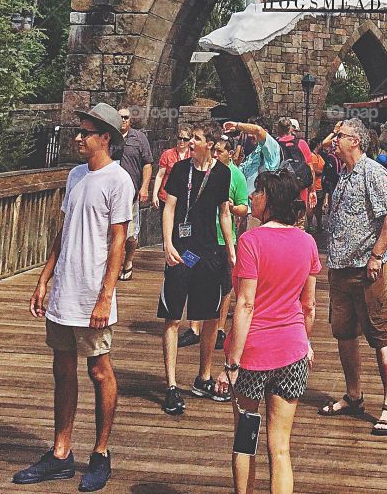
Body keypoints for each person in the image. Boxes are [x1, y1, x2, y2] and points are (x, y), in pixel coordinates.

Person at [14, 102, 133, 491]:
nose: (78, 138)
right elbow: (62, 232)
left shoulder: (119, 180)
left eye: (85, 133)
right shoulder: (75, 175)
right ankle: (61, 452)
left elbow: (118, 241)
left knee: (99, 369)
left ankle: (100, 453)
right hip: (64, 288)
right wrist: (43, 280)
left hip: (93, 292)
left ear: (106, 139)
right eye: (78, 131)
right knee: (62, 368)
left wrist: (106, 295)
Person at [215, 169, 320, 494]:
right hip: (292, 351)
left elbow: (245, 305)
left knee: (245, 441)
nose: (252, 196)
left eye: (258, 191)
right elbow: (309, 305)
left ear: (270, 199)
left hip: (253, 355)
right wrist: (306, 343)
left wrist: (231, 363)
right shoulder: (307, 242)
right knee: (281, 447)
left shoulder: (251, 241)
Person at [320, 117, 387, 436]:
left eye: (339, 136)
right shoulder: (343, 174)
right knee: (344, 334)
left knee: (380, 333)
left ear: (355, 140)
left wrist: (377, 255)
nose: (333, 141)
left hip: (366, 269)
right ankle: (353, 395)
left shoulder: (372, 172)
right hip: (340, 269)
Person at [158, 120, 236, 415]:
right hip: (181, 252)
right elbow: (170, 208)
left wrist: (230, 249)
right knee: (172, 317)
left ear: (211, 146)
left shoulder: (222, 173)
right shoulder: (180, 170)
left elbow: (224, 213)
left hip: (207, 253)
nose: (190, 143)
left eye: (197, 139)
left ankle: (203, 376)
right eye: (190, 138)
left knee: (209, 317)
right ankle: (171, 386)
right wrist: (167, 244)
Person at [212, 134, 250, 352]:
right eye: (214, 150)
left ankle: (219, 327)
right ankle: (197, 327)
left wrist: (232, 208)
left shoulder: (236, 176)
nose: (216, 154)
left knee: (225, 285)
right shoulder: (206, 171)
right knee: (201, 281)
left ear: (230, 153)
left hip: (225, 238)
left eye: (220, 151)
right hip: (204, 236)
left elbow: (244, 207)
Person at [111, 106, 153, 281]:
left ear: (131, 119)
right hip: (111, 193)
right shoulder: (109, 137)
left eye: (126, 117)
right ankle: (112, 266)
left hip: (131, 194)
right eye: (120, 117)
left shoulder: (139, 138)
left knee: (130, 234)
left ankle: (128, 260)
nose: (123, 120)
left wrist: (144, 187)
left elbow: (147, 164)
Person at [224, 119, 281, 196]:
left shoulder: (272, 149)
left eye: (252, 133)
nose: (249, 136)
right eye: (248, 133)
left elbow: (258, 130)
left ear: (266, 131)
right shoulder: (254, 153)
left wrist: (237, 126)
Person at [152, 127, 192, 208]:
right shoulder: (167, 154)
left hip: (185, 197)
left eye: (185, 139)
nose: (182, 141)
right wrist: (154, 194)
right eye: (180, 138)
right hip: (166, 195)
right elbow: (160, 175)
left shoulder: (192, 155)